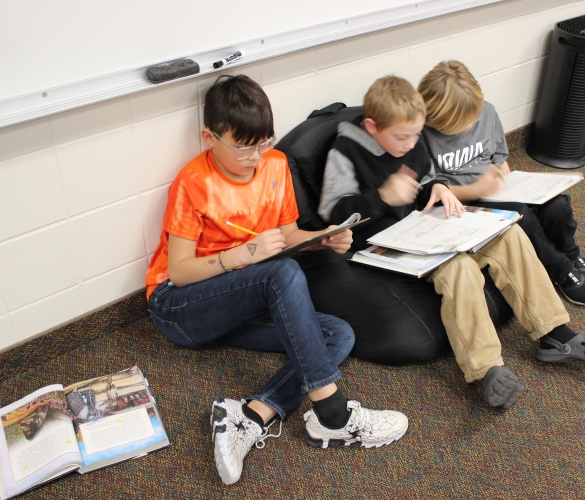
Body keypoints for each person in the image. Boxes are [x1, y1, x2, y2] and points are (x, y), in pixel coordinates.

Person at [144, 75, 408, 486]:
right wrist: (241, 255)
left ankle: (251, 415)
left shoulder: (275, 164)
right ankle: (332, 413)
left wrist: (324, 238)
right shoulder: (194, 182)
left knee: (338, 334)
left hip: (240, 298)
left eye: (263, 143)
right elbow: (178, 271)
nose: (255, 156)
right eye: (243, 147)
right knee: (283, 273)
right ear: (209, 137)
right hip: (179, 306)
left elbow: (287, 236)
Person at [318, 75, 585, 411]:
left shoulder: (410, 139)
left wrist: (437, 187)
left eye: (416, 136)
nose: (410, 144)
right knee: (458, 266)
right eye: (402, 138)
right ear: (372, 127)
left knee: (508, 234)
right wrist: (381, 197)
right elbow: (332, 212)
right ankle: (487, 369)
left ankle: (554, 333)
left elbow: (426, 176)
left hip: (423, 227)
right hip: (381, 244)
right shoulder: (345, 151)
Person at [417, 60, 585, 306]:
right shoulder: (422, 135)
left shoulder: (487, 111)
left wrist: (504, 179)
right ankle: (560, 269)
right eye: (461, 125)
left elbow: (501, 161)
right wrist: (478, 189)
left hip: (496, 188)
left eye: (473, 120)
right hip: (465, 201)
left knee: (557, 206)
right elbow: (433, 191)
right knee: (521, 215)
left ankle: (570, 253)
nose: (470, 127)